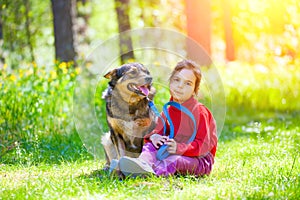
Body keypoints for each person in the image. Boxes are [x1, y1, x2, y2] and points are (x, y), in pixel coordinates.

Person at [118, 60, 218, 177]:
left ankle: (152, 175)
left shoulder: (200, 112)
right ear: (170, 82)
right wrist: (154, 137)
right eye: (176, 80)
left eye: (188, 83)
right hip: (171, 152)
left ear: (194, 90)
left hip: (200, 160)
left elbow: (204, 145)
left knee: (174, 160)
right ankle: (142, 164)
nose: (180, 86)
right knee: (150, 146)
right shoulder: (169, 110)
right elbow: (157, 131)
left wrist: (179, 148)